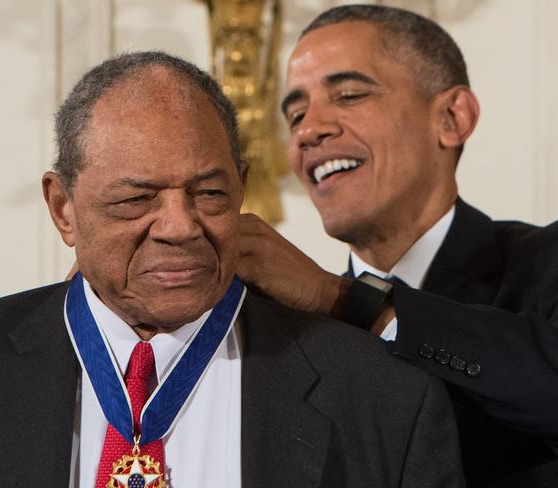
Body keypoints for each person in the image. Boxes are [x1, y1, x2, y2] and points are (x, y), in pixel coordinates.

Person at [0, 52, 464, 487]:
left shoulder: (383, 395)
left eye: (210, 192)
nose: (180, 226)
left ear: (242, 187)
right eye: (136, 200)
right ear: (63, 208)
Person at [237, 5, 558, 487]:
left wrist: (347, 300)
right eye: (296, 114)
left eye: (348, 94)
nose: (308, 130)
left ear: (452, 117)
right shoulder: (285, 331)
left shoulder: (544, 263)